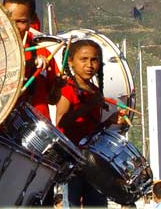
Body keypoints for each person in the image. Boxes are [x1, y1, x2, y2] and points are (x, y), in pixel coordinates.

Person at [56, 39, 125, 208]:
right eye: (84, 59)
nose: (89, 65)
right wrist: (88, 105)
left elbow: (92, 132)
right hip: (72, 160)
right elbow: (61, 121)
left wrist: (109, 122)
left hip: (93, 162)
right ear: (70, 61)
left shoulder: (94, 91)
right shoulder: (67, 88)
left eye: (94, 60)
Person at [3, 0, 62, 116]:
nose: (14, 26)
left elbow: (52, 100)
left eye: (21, 21)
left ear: (32, 20)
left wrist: (57, 87)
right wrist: (30, 63)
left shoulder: (43, 51)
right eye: (8, 20)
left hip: (35, 125)